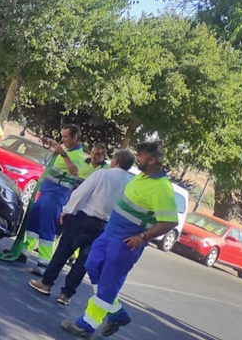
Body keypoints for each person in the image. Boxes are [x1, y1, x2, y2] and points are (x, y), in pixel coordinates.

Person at [61, 140, 178, 338]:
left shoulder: (162, 188)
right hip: (109, 234)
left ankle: (86, 325)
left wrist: (142, 237)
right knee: (92, 265)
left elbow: (170, 222)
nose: (137, 158)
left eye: (140, 156)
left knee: (108, 282)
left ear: (151, 159)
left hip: (126, 242)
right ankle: (117, 313)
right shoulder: (142, 177)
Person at [28, 148, 135, 306]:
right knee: (84, 261)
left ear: (116, 161)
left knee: (63, 252)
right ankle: (66, 294)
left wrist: (67, 210)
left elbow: (81, 193)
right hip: (105, 226)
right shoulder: (130, 184)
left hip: (84, 219)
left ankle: (46, 282)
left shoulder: (102, 174)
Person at [24, 124, 87, 275]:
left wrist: (63, 154)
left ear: (75, 138)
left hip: (57, 194)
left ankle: (43, 263)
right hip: (47, 191)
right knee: (33, 221)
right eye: (62, 135)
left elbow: (74, 171)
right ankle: (24, 251)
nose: (63, 139)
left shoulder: (77, 155)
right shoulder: (67, 149)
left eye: (66, 137)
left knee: (47, 226)